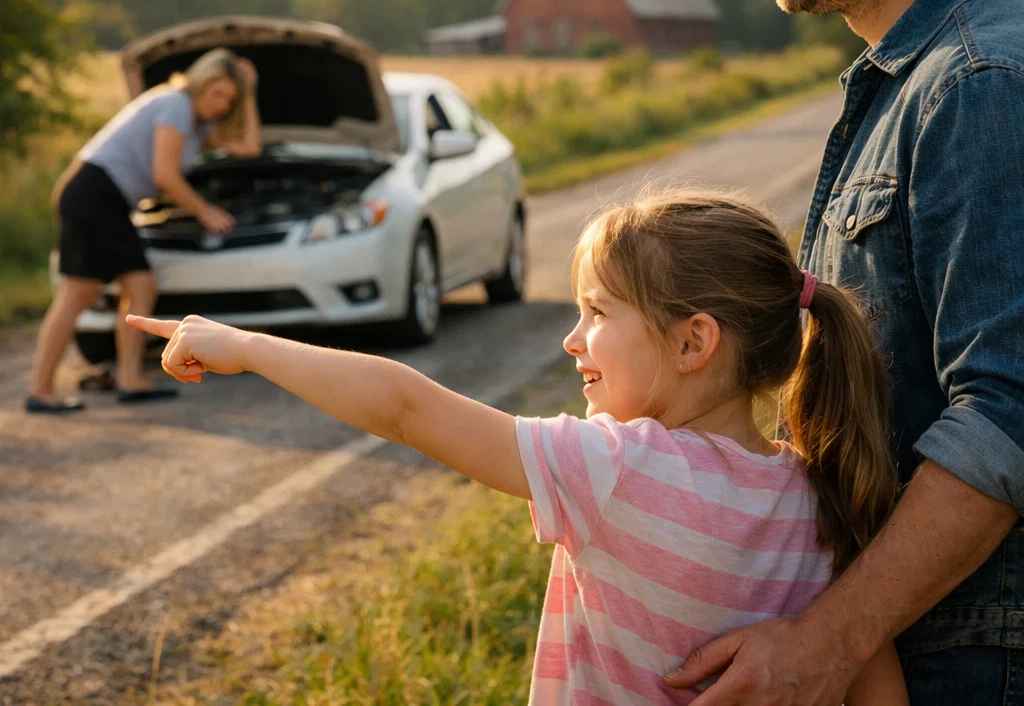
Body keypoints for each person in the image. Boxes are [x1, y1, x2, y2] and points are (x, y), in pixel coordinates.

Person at [128, 190, 908, 705]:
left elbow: (405, 408)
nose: (573, 340)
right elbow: (874, 677)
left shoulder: (619, 469)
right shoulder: (821, 497)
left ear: (692, 341)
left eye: (597, 312)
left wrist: (246, 345)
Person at [663, 0, 1024, 706]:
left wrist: (824, 643)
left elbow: (1003, 418)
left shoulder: (980, 82)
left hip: (967, 667)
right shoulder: (913, 79)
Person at [26, 48, 261, 413]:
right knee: (82, 292)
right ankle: (45, 389)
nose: (221, 105)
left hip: (105, 198)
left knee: (136, 286)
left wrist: (250, 91)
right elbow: (164, 174)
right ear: (199, 83)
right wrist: (205, 211)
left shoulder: (198, 127)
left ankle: (128, 379)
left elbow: (250, 147)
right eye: (217, 94)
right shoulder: (176, 105)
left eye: (229, 100)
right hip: (94, 193)